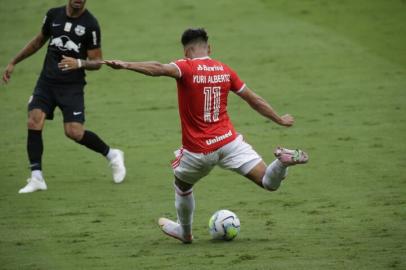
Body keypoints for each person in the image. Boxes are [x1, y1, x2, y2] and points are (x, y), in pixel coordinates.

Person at [104, 28, 308, 243]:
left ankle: (185, 233)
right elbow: (253, 99)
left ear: (186, 51)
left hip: (199, 151)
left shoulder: (185, 66)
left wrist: (127, 65)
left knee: (182, 186)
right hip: (230, 143)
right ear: (209, 48)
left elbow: (157, 68)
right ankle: (282, 163)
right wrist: (279, 119)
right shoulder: (225, 70)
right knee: (268, 182)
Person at [2, 0, 126, 194]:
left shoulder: (90, 24)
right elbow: (38, 42)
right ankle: (36, 177)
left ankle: (112, 155)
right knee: (34, 120)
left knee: (74, 132)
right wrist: (13, 61)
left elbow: (97, 62)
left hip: (71, 87)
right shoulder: (53, 15)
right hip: (47, 83)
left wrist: (79, 62)